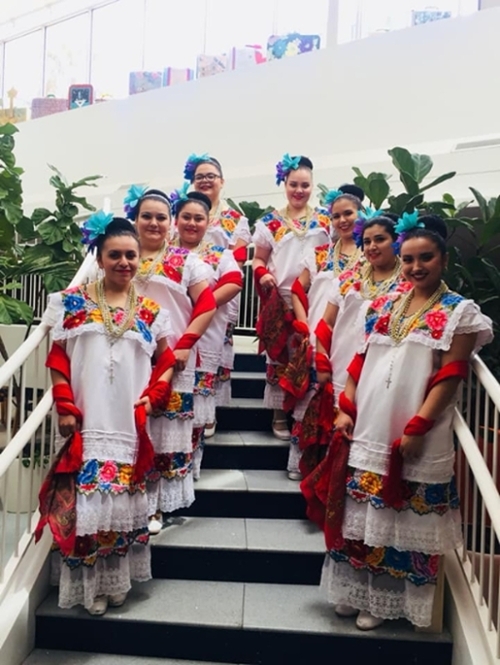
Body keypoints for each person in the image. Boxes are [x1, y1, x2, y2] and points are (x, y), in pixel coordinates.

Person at [319, 213, 493, 630]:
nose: (417, 267)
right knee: (362, 514)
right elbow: (360, 361)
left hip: (416, 433)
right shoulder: (385, 303)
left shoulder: (459, 313)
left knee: (400, 518)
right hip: (368, 427)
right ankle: (356, 588)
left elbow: (451, 375)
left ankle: (384, 602)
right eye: (409, 258)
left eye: (426, 258)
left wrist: (418, 427)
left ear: (444, 259)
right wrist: (346, 407)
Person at [36, 214, 175, 616]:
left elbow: (167, 360)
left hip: (128, 423)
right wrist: (65, 405)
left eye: (131, 255)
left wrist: (153, 396)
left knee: (119, 505)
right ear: (99, 257)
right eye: (115, 255)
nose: (124, 262)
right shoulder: (71, 302)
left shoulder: (150, 311)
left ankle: (116, 581)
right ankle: (88, 587)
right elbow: (58, 357)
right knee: (89, 505)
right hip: (89, 420)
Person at [124, 186, 216, 534]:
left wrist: (184, 345)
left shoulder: (186, 261)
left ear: (171, 223)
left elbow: (206, 304)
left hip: (173, 359)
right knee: (134, 426)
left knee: (163, 432)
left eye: (161, 217)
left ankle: (156, 508)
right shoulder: (122, 256)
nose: (153, 223)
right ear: (135, 219)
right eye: (146, 216)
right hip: (131, 356)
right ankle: (130, 503)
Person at [285, 188, 366, 479]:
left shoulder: (370, 253)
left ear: (361, 214)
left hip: (351, 339)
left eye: (348, 214)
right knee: (311, 400)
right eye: (336, 216)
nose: (342, 220)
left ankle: (330, 471)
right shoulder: (319, 254)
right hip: (318, 336)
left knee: (342, 400)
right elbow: (297, 289)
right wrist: (304, 324)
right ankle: (302, 463)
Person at [252, 154, 331, 444]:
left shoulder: (326, 219)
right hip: (282, 298)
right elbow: (259, 260)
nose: (299, 190)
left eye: (305, 185)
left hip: (317, 296)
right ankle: (279, 414)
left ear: (313, 186)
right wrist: (262, 274)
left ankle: (304, 412)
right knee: (281, 355)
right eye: (294, 184)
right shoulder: (269, 222)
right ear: (283, 184)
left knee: (309, 354)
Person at [170, 187, 242, 478]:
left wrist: (202, 299)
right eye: (186, 217)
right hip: (169, 338)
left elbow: (235, 282)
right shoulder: (165, 253)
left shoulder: (218, 254)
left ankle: (188, 471)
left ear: (208, 222)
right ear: (176, 220)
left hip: (204, 339)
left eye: (198, 218)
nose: (192, 223)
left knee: (196, 411)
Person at [184, 153, 252, 428]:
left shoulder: (235, 219)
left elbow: (237, 255)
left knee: (214, 344)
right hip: (184, 285)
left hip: (217, 285)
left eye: (211, 176)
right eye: (199, 176)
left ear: (221, 181)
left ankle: (206, 410)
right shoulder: (183, 212)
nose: (205, 180)